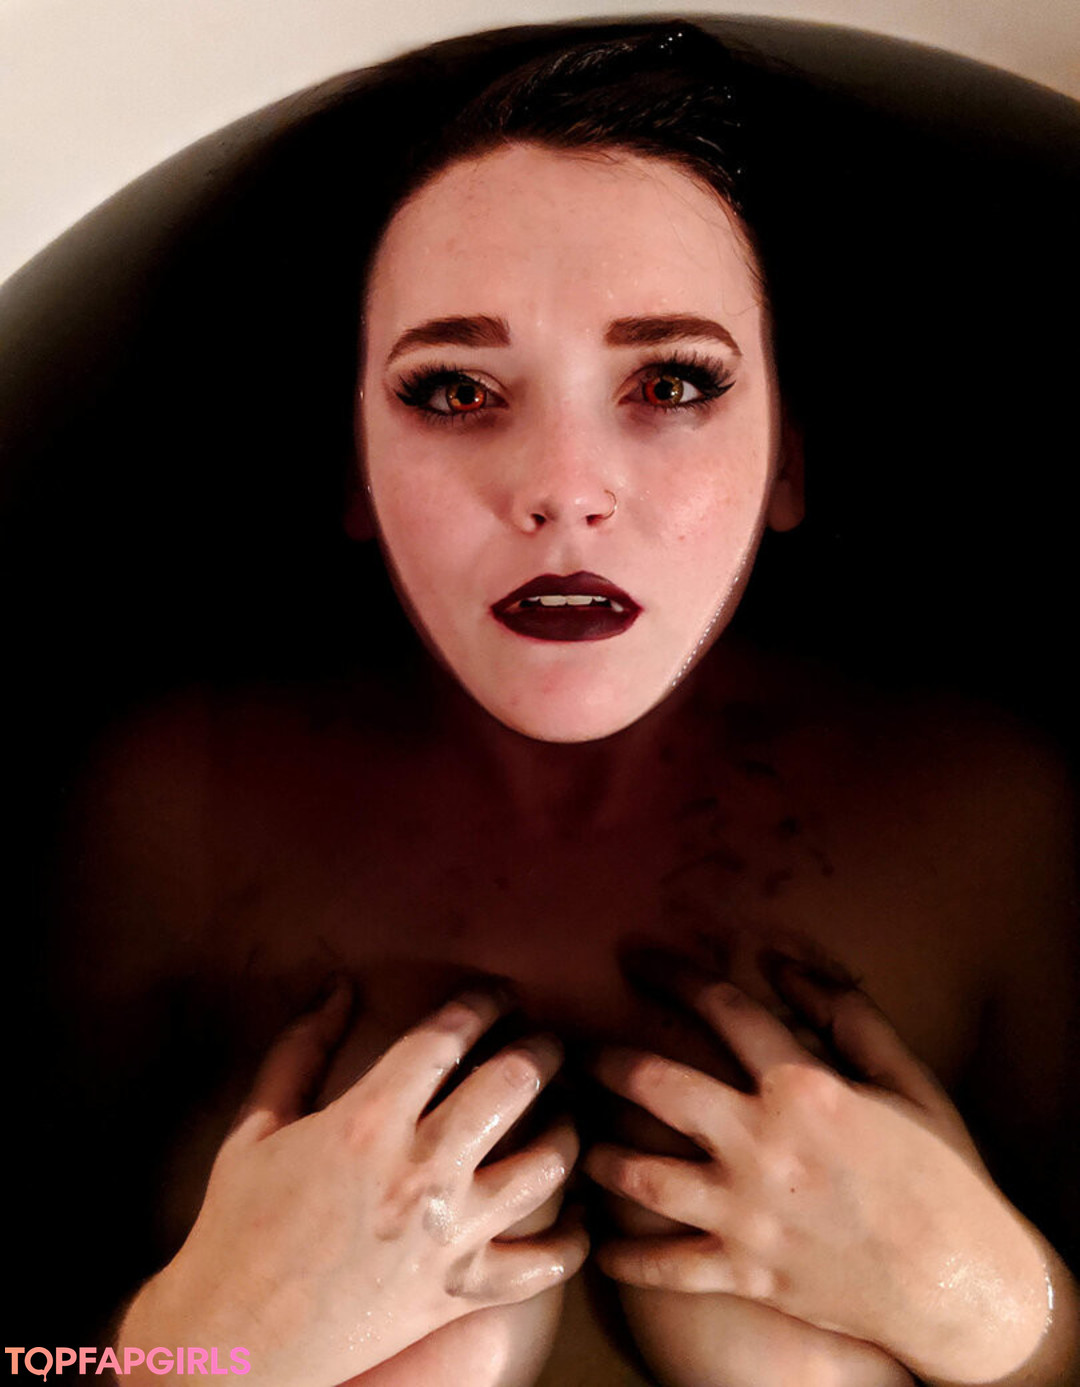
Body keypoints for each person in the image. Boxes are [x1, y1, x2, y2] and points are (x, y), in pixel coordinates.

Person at [52, 21, 1077, 1387]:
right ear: (356, 466)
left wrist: (996, 1312)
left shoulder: (976, 821)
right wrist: (201, 1350)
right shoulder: (181, 813)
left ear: (788, 456)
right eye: (454, 390)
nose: (563, 490)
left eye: (672, 381)